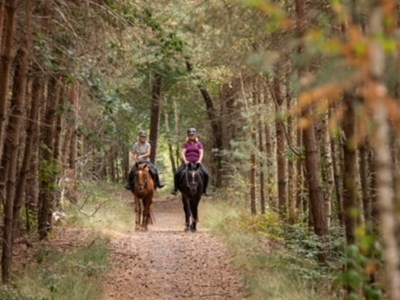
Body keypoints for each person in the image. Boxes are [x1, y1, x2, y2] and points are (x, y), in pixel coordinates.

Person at [171, 127, 210, 196]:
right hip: (187, 163)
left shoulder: (199, 144)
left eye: (193, 134)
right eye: (190, 135)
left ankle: (205, 190)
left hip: (197, 163)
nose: (192, 136)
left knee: (206, 174)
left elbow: (201, 153)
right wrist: (185, 160)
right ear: (188, 135)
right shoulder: (186, 144)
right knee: (177, 173)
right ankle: (175, 189)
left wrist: (199, 160)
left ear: (195, 135)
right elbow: (183, 153)